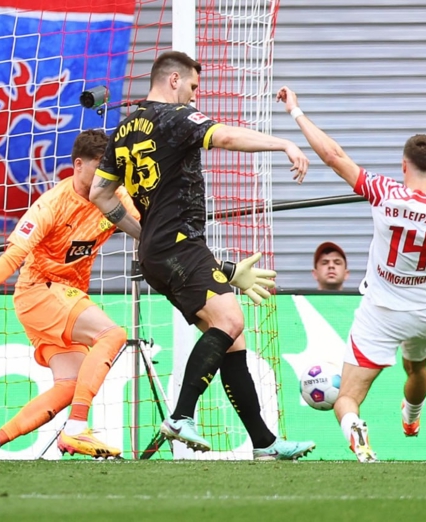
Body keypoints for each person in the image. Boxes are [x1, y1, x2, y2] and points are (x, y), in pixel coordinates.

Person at [277, 86, 426, 463]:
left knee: (347, 397)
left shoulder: (384, 191)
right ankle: (411, 418)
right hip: (423, 313)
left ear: (403, 164)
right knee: (418, 367)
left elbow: (332, 155)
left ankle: (357, 433)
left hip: (378, 312)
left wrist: (295, 111)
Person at [90, 51, 315, 460]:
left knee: (232, 339)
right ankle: (180, 416)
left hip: (161, 248)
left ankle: (264, 443)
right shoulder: (177, 119)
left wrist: (143, 232)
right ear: (173, 79)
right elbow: (227, 137)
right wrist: (283, 142)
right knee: (231, 320)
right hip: (179, 242)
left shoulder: (123, 130)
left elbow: (99, 194)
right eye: (192, 86)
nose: (195, 96)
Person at [0, 129, 141, 459]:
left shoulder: (114, 197)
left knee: (70, 384)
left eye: (111, 170)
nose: (106, 178)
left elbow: (150, 231)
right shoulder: (51, 205)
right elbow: (12, 257)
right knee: (113, 335)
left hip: (65, 295)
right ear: (78, 165)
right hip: (40, 291)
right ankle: (76, 428)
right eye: (101, 168)